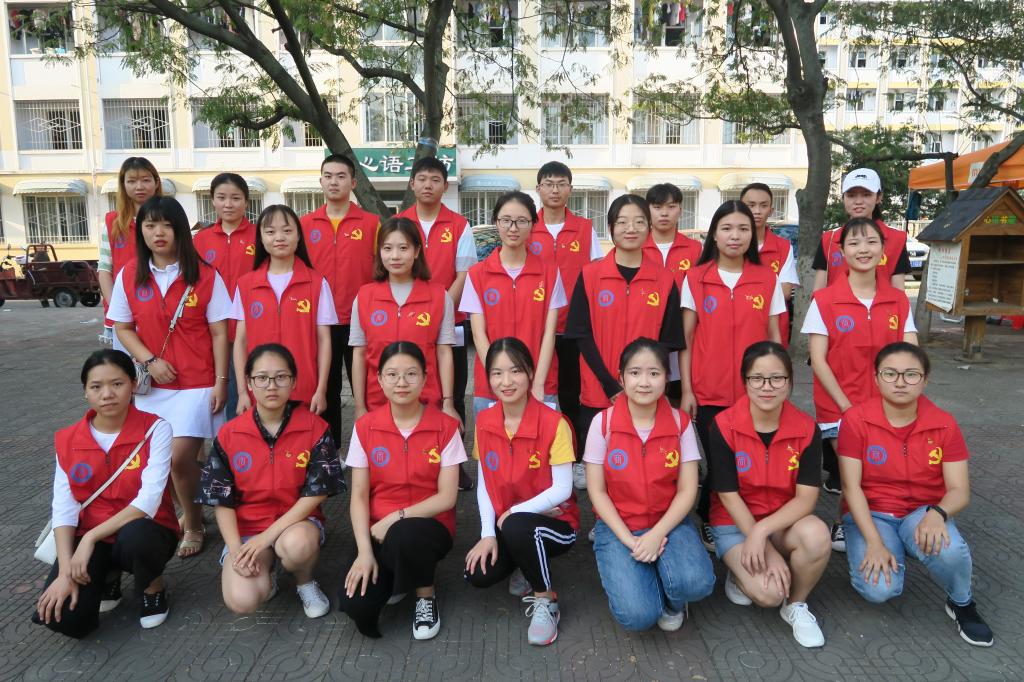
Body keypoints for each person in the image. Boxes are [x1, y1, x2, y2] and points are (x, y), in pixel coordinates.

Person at [838, 343, 994, 647]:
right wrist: (873, 542)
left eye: (911, 374)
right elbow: (851, 487)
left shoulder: (944, 423)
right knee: (879, 589)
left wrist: (938, 514)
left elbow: (960, 490)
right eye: (890, 374)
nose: (900, 382)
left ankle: (961, 602)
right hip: (872, 513)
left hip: (922, 512)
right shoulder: (856, 420)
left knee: (951, 550)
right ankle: (892, 545)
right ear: (876, 378)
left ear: (925, 380)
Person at [109, 196, 232, 558]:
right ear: (141, 232)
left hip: (197, 383)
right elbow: (122, 327)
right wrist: (149, 361)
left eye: (167, 225)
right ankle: (196, 502)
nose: (158, 232)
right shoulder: (129, 274)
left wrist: (221, 381)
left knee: (179, 459)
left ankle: (193, 525)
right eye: (150, 225)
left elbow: (220, 333)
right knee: (159, 462)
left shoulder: (205, 275)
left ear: (180, 230)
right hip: (152, 386)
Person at [34, 350, 177, 637]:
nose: (107, 394)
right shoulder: (68, 439)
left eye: (117, 384)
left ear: (133, 384)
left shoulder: (155, 429)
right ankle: (108, 576)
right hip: (93, 536)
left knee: (138, 537)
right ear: (85, 391)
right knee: (64, 619)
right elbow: (64, 508)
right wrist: (65, 571)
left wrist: (89, 538)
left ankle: (152, 586)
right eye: (96, 386)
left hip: (144, 530)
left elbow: (148, 502)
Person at [197, 344, 344, 619]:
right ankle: (269, 574)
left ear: (294, 381)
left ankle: (305, 581)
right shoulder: (230, 434)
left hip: (297, 524)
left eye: (281, 377)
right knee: (242, 600)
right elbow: (220, 498)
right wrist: (237, 550)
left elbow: (318, 491)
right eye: (262, 378)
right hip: (248, 529)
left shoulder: (315, 427)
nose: (271, 386)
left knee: (298, 546)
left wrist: (267, 537)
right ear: (249, 383)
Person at [801, 217, 917, 552]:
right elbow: (818, 360)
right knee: (857, 471)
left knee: (878, 470)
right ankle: (848, 524)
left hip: (887, 405)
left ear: (883, 249)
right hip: (839, 407)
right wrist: (847, 408)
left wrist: (904, 392)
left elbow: (911, 354)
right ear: (841, 252)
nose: (862, 249)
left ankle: (866, 522)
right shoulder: (824, 300)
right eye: (853, 243)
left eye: (870, 242)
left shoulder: (898, 300)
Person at [585, 338, 714, 632]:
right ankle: (653, 575)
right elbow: (597, 491)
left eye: (654, 373)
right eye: (635, 373)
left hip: (668, 522)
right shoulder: (602, 423)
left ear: (667, 378)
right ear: (621, 377)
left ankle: (673, 598)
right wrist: (629, 540)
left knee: (697, 583)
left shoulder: (681, 423)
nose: (644, 382)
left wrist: (656, 534)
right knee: (638, 616)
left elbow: (687, 490)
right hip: (618, 526)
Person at [707, 341, 830, 648]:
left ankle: (796, 604)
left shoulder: (806, 429)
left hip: (782, 521)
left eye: (777, 378)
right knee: (769, 595)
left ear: (789, 381)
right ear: (745, 381)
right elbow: (728, 495)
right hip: (733, 523)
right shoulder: (723, 425)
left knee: (817, 536)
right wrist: (766, 549)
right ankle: (739, 574)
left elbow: (806, 499)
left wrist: (763, 532)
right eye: (757, 379)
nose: (767, 387)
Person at [339, 341, 465, 640]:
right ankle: (398, 574)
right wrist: (364, 552)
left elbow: (447, 497)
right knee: (357, 606)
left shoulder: (445, 427)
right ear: (379, 379)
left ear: (425, 378)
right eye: (392, 374)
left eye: (411, 374)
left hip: (429, 527)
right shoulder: (365, 427)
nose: (402, 382)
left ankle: (425, 596)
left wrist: (396, 517)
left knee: (406, 535)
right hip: (378, 530)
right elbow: (359, 496)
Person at [679, 200, 785, 552]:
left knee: (747, 459)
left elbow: (775, 337)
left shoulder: (766, 278)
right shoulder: (696, 278)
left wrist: (777, 385)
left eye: (742, 229)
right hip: (708, 390)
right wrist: (687, 390)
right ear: (714, 234)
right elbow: (686, 340)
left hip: (756, 392)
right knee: (718, 461)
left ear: (752, 234)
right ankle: (711, 517)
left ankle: (739, 517)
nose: (735, 236)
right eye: (726, 228)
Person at [464, 338, 578, 646]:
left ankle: (546, 600)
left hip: (557, 524)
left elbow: (563, 489)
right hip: (508, 523)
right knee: (478, 575)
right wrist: (488, 533)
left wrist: (514, 513)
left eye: (515, 371)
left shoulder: (554, 423)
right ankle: (524, 561)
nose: (506, 381)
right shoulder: (484, 421)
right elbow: (485, 483)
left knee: (517, 526)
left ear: (529, 373)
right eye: (497, 373)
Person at [565, 194, 682, 491]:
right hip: (598, 388)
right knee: (598, 462)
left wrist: (642, 380)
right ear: (610, 228)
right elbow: (580, 333)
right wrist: (611, 386)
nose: (631, 228)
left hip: (645, 388)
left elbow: (669, 341)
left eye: (639, 222)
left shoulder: (664, 279)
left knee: (639, 464)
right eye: (622, 222)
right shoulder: (590, 275)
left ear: (649, 227)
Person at [300, 154, 381, 448]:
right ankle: (329, 453)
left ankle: (369, 449)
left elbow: (381, 270)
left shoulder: (371, 223)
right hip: (320, 322)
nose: (334, 182)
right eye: (328, 176)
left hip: (362, 320)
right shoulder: (305, 224)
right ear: (321, 181)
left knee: (367, 389)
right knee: (326, 389)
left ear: (353, 182)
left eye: (341, 176)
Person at [461, 191, 564, 414]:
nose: (513, 228)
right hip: (492, 387)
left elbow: (549, 333)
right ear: (496, 222)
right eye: (506, 220)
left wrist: (538, 383)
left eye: (522, 221)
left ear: (533, 224)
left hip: (540, 382)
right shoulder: (477, 274)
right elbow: (479, 334)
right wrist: (498, 378)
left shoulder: (550, 273)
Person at [397, 157, 477, 426]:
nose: (428, 185)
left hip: (451, 323)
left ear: (445, 186)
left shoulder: (459, 225)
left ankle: (454, 447)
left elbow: (464, 274)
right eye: (422, 179)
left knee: (452, 393)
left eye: (435, 180)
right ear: (412, 184)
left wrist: (438, 312)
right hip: (407, 323)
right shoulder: (399, 223)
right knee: (410, 389)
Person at [351, 217, 457, 422]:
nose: (395, 256)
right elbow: (359, 354)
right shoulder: (364, 297)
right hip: (377, 403)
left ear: (416, 251)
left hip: (426, 402)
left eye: (403, 248)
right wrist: (359, 407)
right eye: (387, 248)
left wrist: (448, 403)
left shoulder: (439, 296)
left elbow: (444, 352)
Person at [232, 205, 335, 414]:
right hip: (259, 391)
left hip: (304, 391)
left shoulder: (317, 283)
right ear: (261, 238)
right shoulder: (245, 285)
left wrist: (321, 389)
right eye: (270, 232)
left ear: (298, 236)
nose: (279, 237)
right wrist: (242, 391)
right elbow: (240, 341)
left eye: (287, 231)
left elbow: (324, 340)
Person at [529, 161, 604, 443]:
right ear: (538, 189)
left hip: (574, 328)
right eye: (549, 184)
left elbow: (597, 274)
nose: (555, 190)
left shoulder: (585, 228)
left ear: (570, 189)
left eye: (561, 184)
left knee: (572, 394)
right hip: (537, 328)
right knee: (538, 391)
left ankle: (577, 452)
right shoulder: (528, 227)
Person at [193, 173, 258, 417]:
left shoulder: (260, 236)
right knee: (215, 387)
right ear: (212, 201)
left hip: (250, 325)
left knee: (247, 386)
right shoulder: (200, 240)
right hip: (211, 328)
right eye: (221, 198)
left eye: (236, 198)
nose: (228, 204)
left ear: (246, 202)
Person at [643, 183, 703, 405]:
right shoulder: (637, 247)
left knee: (678, 404)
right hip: (646, 336)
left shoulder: (695, 249)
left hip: (684, 341)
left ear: (680, 210)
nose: (664, 213)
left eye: (671, 206)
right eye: (657, 207)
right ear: (648, 210)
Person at [98, 157, 163, 353]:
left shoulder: (169, 218)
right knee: (127, 369)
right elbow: (104, 269)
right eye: (132, 181)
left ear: (156, 182)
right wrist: (117, 308)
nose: (139, 187)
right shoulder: (113, 223)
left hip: (160, 312)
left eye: (146, 180)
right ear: (123, 184)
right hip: (124, 315)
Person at [812, 168, 911, 291]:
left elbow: (898, 291)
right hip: (835, 304)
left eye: (866, 194)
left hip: (882, 304)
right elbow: (819, 290)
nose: (858, 201)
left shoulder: (897, 239)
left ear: (879, 197)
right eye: (851, 195)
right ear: (843, 198)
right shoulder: (828, 239)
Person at [740, 183, 799, 346]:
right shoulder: (732, 244)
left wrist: (743, 292)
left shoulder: (783, 247)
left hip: (773, 331)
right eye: (751, 205)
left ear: (771, 210)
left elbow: (785, 292)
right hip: (739, 325)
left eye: (763, 205)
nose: (757, 211)